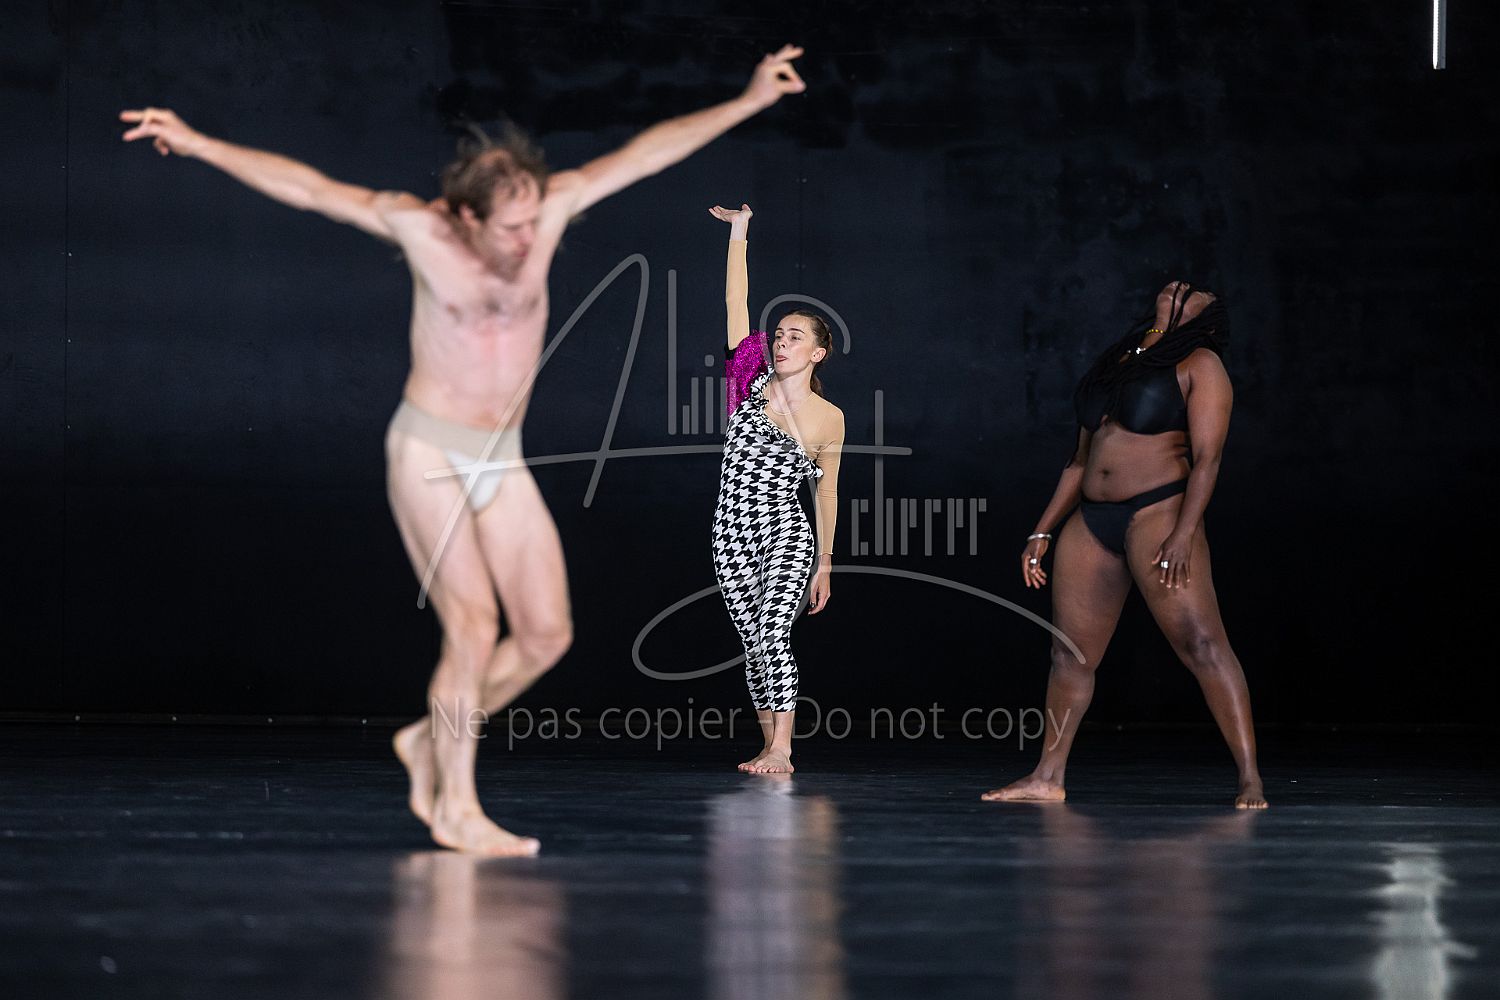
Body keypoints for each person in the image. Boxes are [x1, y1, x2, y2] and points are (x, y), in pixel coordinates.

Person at [120, 44, 809, 855]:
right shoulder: (422, 229)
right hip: (429, 449)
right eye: (510, 228)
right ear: (467, 217)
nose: (527, 239)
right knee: (474, 627)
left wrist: (748, 100)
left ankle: (427, 738)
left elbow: (646, 153)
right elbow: (307, 187)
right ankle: (456, 807)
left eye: (534, 221)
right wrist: (198, 142)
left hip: (498, 454)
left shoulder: (546, 210)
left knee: (546, 634)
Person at [983, 281, 1268, 809]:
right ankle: (1047, 776)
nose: (1180, 286)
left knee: (1203, 644)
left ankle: (1250, 777)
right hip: (1093, 518)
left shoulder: (1200, 364)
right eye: (1175, 282)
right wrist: (1042, 531)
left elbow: (1208, 460)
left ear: (1209, 315)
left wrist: (1184, 532)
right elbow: (1078, 461)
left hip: (1158, 513)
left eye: (1196, 290)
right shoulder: (1120, 359)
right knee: (1069, 654)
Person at [708, 202, 844, 775]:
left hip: (783, 531)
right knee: (753, 642)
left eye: (795, 336)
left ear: (817, 353)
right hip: (731, 530)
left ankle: (783, 749)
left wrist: (824, 564)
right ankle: (769, 746)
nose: (782, 342)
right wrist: (739, 234)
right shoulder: (748, 381)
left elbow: (826, 494)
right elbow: (734, 302)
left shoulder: (828, 418)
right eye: (780, 334)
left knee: (773, 634)